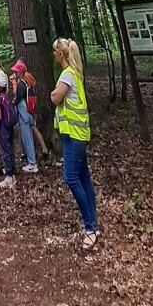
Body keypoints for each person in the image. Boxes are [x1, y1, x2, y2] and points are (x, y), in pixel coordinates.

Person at [51, 37, 98, 250]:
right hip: (78, 133)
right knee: (84, 178)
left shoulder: (68, 74)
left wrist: (54, 93)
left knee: (71, 177)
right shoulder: (75, 73)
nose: (53, 55)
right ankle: (93, 224)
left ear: (61, 55)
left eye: (55, 52)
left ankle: (90, 227)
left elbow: (55, 97)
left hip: (74, 135)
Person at [12, 60, 39, 174]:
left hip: (24, 115)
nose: (15, 73)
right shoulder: (26, 82)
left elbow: (17, 99)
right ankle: (31, 162)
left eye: (16, 71)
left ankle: (32, 163)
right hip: (28, 113)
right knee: (28, 138)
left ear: (20, 72)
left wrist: (13, 102)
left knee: (27, 139)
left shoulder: (21, 84)